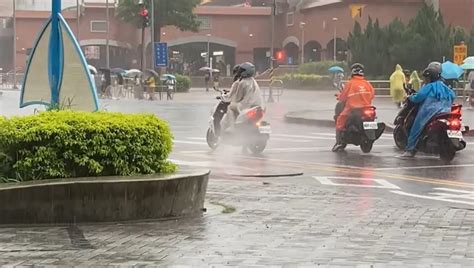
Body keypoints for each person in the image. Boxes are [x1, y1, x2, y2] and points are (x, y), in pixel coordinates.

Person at [401, 62, 456, 158]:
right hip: (446, 111)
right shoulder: (445, 86)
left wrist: (410, 97)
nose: (425, 80)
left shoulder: (429, 87)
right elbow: (453, 96)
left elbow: (418, 97)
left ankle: (410, 149)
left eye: (426, 78)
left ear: (430, 77)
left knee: (416, 127)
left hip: (429, 112)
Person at [332, 63, 375, 152]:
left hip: (352, 109)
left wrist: (340, 97)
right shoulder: (367, 84)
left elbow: (343, 97)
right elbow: (372, 95)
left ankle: (339, 142)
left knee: (340, 120)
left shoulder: (350, 83)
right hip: (367, 108)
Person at [221, 62, 263, 133]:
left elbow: (237, 98)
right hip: (257, 105)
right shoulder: (254, 81)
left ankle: (232, 128)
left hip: (246, 105)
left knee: (230, 107)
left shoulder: (242, 82)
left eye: (241, 70)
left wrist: (230, 100)